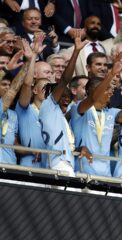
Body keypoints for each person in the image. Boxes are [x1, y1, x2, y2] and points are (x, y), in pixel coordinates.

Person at [39, 30, 91, 176]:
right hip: (58, 165)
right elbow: (64, 80)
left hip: (65, 164)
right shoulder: (49, 106)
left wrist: (79, 149)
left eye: (68, 96)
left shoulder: (61, 117)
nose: (67, 98)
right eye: (63, 95)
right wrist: (76, 51)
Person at [66, 2, 122, 76]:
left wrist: (121, 11)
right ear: (85, 27)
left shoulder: (109, 44)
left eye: (98, 24)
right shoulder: (72, 50)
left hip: (105, 85)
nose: (95, 26)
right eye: (92, 23)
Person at [16, 33, 49, 168]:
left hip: (50, 167)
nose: (48, 92)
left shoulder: (53, 113)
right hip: (29, 166)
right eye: (45, 88)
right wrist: (34, 55)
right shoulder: (25, 109)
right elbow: (27, 84)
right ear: (35, 90)